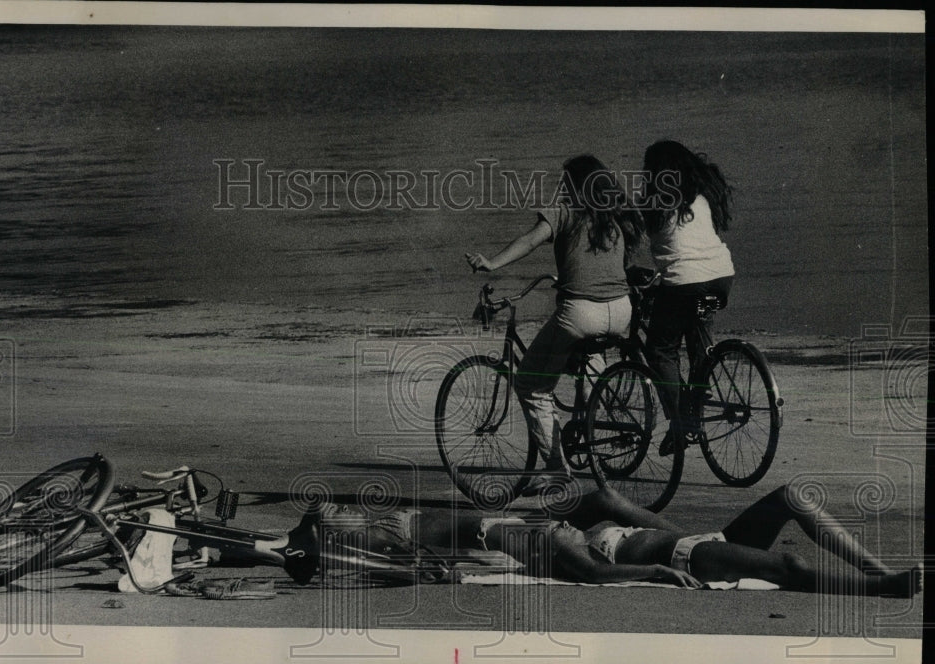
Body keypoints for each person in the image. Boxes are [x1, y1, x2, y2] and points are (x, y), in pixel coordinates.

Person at [272, 483, 921, 598]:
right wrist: (650, 575)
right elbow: (590, 577)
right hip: (683, 553)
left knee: (790, 497)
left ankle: (874, 561)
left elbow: (600, 500)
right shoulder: (548, 545)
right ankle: (882, 586)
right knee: (781, 566)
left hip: (679, 534)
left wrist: (587, 500)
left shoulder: (544, 524)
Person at [465, 155, 643, 493]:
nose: (562, 187)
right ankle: (589, 420)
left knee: (531, 385)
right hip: (621, 311)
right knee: (589, 348)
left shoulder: (565, 211)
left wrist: (492, 262)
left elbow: (530, 241)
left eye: (566, 182)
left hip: (581, 312)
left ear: (575, 185)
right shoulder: (615, 216)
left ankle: (556, 468)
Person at [639, 140, 735, 453]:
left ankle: (681, 423)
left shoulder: (656, 201)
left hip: (684, 281)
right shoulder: (704, 194)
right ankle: (696, 412)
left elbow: (638, 232)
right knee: (700, 350)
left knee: (660, 350)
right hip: (720, 275)